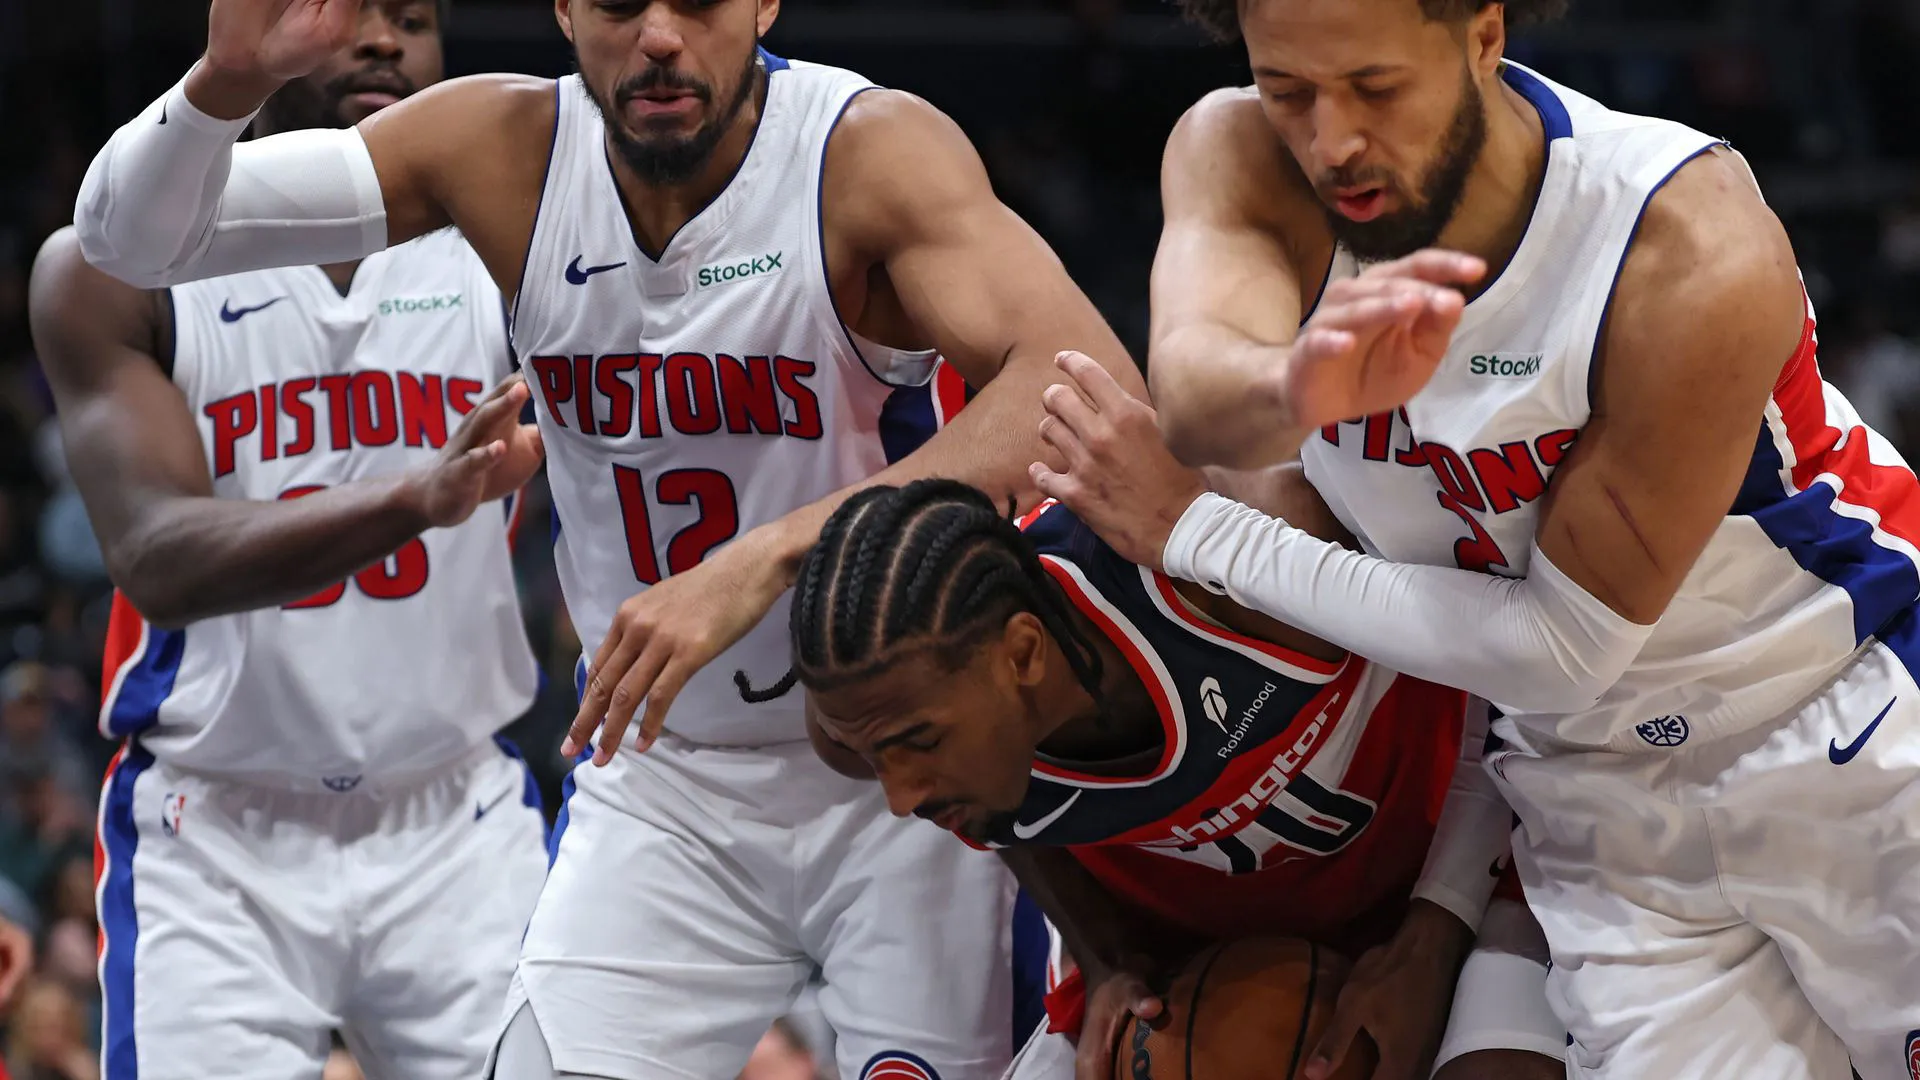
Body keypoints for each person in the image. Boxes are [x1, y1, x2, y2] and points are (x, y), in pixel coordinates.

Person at [68, 0, 1147, 1076]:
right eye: (624, 4)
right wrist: (222, 83)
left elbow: (1081, 383)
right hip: (663, 777)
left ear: (765, 2)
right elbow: (122, 239)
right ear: (567, 9)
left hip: (903, 767)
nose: (662, 35)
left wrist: (767, 555)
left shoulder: (863, 151)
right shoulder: (492, 148)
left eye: (698, 4)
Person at [1026, 0, 1920, 1076]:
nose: (1331, 139)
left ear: (1485, 34)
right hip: (1592, 803)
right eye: (1289, 90)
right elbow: (1197, 395)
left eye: (1375, 87)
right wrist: (1295, 381)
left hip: (1844, 720)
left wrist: (1200, 533)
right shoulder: (1240, 151)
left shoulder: (1680, 236)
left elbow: (1559, 650)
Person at [29, 3, 550, 1076]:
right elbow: (159, 559)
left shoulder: (512, 248)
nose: (385, 43)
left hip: (457, 816)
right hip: (217, 832)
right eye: (348, 14)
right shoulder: (111, 267)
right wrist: (414, 499)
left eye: (413, 19)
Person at [784, 474, 1564, 1080]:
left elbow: (1505, 691)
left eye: (916, 745)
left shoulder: (1217, 566)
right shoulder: (882, 725)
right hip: (1187, 942)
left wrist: (1435, 932)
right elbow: (1008, 823)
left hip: (1447, 867)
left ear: (1023, 656)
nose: (900, 796)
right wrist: (1105, 956)